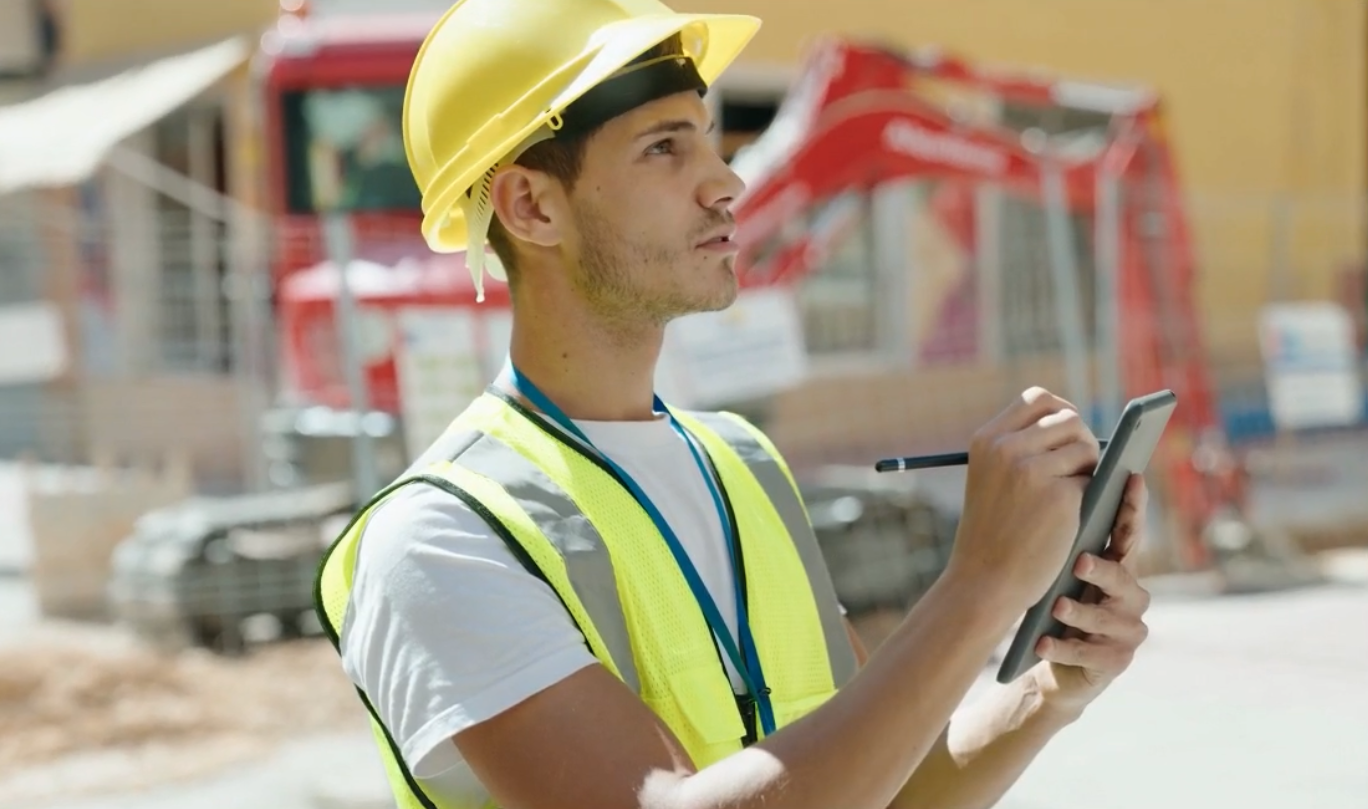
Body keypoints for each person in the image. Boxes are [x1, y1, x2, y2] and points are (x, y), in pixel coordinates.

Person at [312, 1, 1155, 808]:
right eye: (662, 149)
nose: (725, 182)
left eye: (708, 140)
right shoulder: (440, 539)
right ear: (532, 206)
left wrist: (1047, 692)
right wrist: (978, 588)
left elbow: (878, 789)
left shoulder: (739, 462)